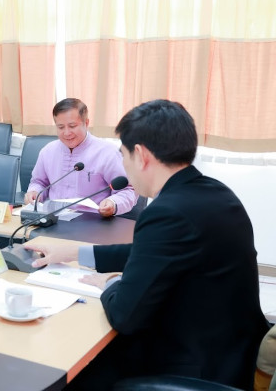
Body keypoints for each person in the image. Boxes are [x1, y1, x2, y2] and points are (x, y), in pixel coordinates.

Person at [25, 99, 268, 390]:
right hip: (231, 353)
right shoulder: (215, 193)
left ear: (140, 155)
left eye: (124, 155)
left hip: (192, 366)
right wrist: (77, 252)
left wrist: (110, 282)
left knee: (73, 368)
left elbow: (124, 316)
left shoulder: (167, 212)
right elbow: (153, 253)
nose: (124, 166)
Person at [24, 98, 137, 217]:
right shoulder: (48, 151)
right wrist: (34, 192)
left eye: (72, 126)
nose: (67, 133)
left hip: (93, 221)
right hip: (53, 218)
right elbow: (39, 182)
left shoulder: (108, 152)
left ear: (86, 123)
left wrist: (113, 203)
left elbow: (128, 190)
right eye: (61, 127)